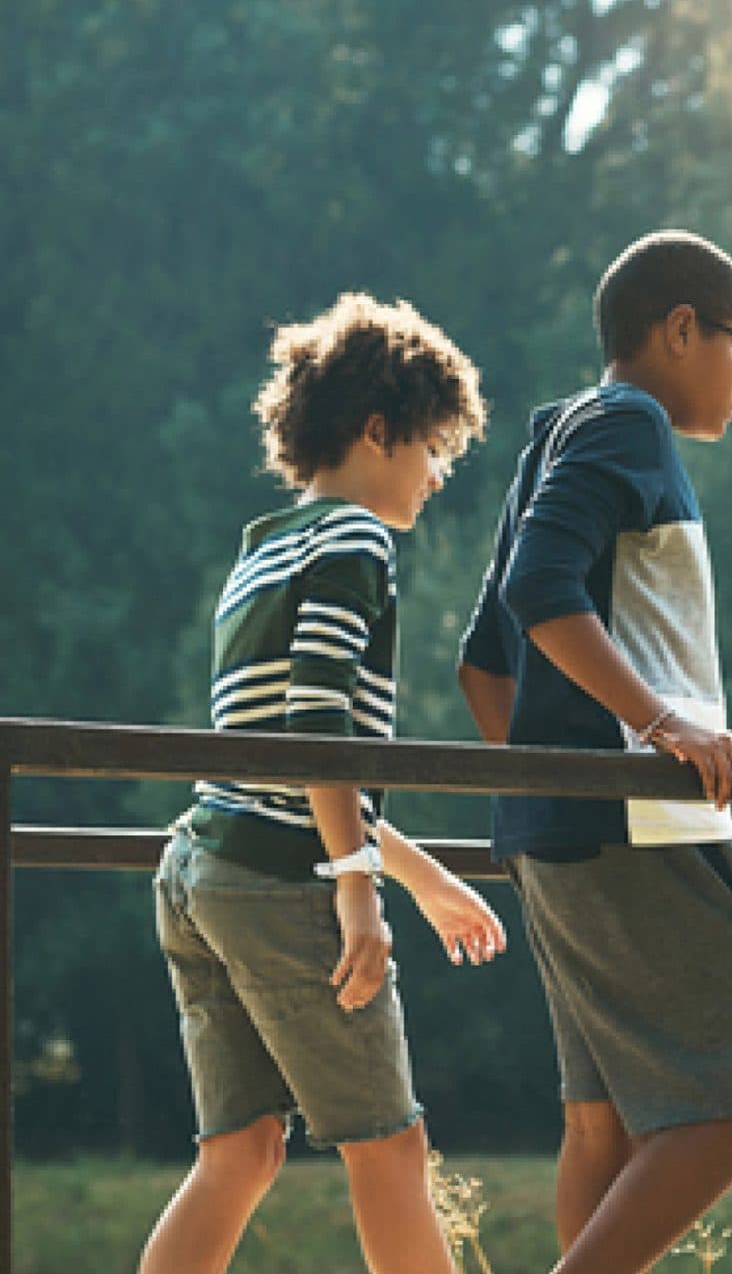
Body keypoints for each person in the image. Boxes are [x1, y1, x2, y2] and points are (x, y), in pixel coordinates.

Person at [455, 230, 732, 1274]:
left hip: (558, 830)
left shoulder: (558, 433)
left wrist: (549, 790)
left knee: (605, 1119)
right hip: (639, 823)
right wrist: (662, 725)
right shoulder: (630, 422)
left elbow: (482, 664)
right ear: (680, 329)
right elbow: (539, 589)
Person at [143, 292, 509, 1274]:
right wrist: (356, 884)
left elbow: (279, 765)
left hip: (202, 866)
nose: (438, 473)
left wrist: (420, 876)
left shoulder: (262, 546)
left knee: (240, 1153)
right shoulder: (355, 539)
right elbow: (317, 723)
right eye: (433, 446)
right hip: (280, 884)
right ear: (377, 430)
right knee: (390, 1148)